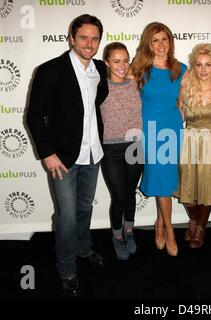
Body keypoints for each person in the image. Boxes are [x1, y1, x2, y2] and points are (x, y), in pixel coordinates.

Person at [26, 14, 108, 296]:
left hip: (93, 154)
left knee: (85, 208)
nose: (89, 43)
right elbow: (35, 115)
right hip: (62, 159)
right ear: (71, 39)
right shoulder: (51, 70)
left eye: (94, 38)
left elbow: (96, 101)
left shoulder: (100, 68)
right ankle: (67, 269)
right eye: (83, 37)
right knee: (67, 217)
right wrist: (47, 153)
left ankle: (84, 249)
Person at [131, 22, 188, 256]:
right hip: (149, 131)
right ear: (148, 43)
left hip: (172, 129)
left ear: (170, 42)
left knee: (163, 181)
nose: (161, 44)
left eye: (164, 39)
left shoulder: (181, 69)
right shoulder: (138, 69)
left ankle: (159, 223)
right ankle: (169, 230)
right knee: (162, 182)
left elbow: (184, 103)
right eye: (155, 40)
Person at [175, 43, 211, 249]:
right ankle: (194, 221)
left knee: (207, 188)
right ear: (193, 66)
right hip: (189, 140)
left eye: (208, 65)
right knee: (186, 187)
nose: (203, 69)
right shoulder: (186, 87)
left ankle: (201, 227)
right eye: (199, 65)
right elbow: (180, 115)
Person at [100, 42, 143, 261]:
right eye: (116, 61)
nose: (122, 65)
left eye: (126, 60)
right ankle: (117, 236)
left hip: (135, 145)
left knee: (129, 193)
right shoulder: (99, 86)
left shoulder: (136, 83)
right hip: (110, 149)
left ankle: (129, 230)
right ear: (106, 62)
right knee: (118, 196)